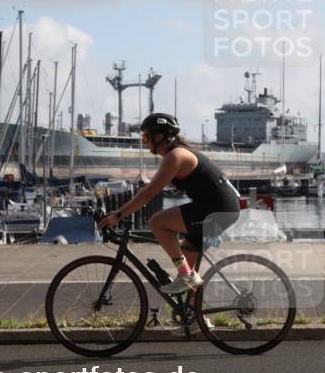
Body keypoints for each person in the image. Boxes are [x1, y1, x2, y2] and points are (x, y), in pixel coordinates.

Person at [97, 113, 241, 293]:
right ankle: (195, 317)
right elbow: (152, 187)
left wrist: (118, 215)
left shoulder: (175, 156)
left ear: (159, 137)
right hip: (218, 207)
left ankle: (187, 276)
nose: (144, 141)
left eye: (145, 137)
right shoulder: (177, 154)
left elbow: (148, 194)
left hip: (217, 209)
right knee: (188, 273)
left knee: (158, 223)